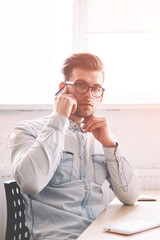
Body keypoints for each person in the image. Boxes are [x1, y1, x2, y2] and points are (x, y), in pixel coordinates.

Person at [9, 53, 140, 240]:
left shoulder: (100, 137)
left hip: (100, 234)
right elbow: (31, 183)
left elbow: (130, 196)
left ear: (101, 95)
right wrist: (59, 118)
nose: (88, 95)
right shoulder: (28, 130)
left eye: (96, 88)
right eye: (80, 85)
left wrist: (109, 144)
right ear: (63, 89)